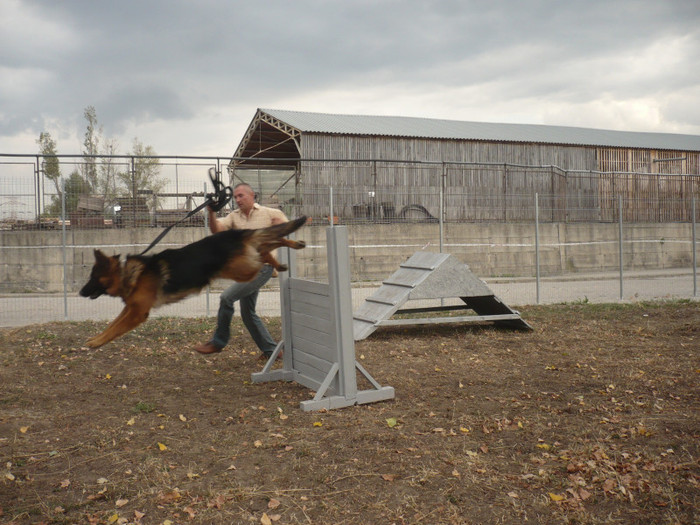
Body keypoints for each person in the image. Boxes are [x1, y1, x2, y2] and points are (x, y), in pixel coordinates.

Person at [194, 182, 288, 357]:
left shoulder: (269, 213)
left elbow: (288, 226)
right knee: (247, 313)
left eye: (241, 196)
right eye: (235, 197)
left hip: (262, 268)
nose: (237, 200)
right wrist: (211, 212)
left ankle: (218, 342)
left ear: (252, 195)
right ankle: (272, 351)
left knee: (226, 297)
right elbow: (217, 230)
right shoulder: (234, 217)